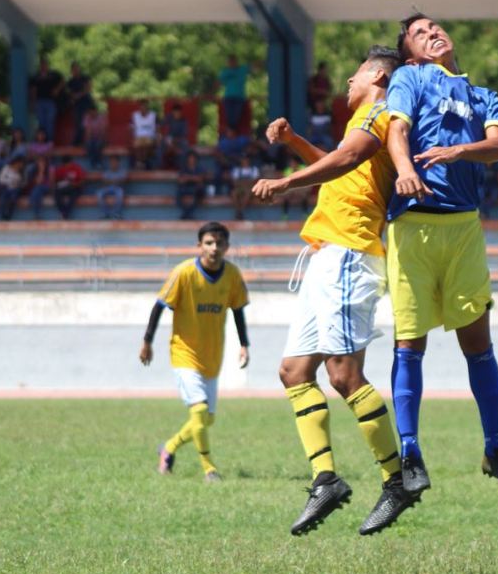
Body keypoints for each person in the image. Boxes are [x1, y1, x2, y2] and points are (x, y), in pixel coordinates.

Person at [252, 45, 415, 536]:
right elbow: (341, 166)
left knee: (344, 375)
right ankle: (325, 479)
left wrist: (285, 183)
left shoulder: (383, 113)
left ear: (378, 75)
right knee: (294, 371)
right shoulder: (362, 122)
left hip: (349, 253)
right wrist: (296, 142)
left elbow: (344, 160)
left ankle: (397, 480)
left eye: (356, 72)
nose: (347, 80)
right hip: (328, 254)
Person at [383, 13, 498, 495]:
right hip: (413, 224)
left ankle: (496, 448)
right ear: (410, 55)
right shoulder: (410, 78)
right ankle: (410, 452)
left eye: (435, 27)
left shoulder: (483, 95)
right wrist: (405, 170)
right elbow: (396, 131)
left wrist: (459, 152)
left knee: (478, 346)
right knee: (409, 345)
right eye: (420, 34)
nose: (433, 33)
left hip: (464, 226)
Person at [141, 221, 250, 483]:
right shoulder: (183, 272)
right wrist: (147, 342)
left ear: (227, 247)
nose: (214, 248)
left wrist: (244, 344)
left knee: (206, 419)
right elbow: (159, 306)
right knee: (200, 411)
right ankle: (209, 468)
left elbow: (237, 310)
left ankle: (168, 448)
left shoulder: (232, 275)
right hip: (184, 353)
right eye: (209, 243)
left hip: (212, 355)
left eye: (219, 243)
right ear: (199, 245)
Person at [29, 57, 63, 143]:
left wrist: (57, 90)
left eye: (45, 65)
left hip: (50, 102)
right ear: (40, 66)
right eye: (42, 65)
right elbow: (33, 90)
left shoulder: (53, 75)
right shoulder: (36, 77)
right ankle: (41, 142)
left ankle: (50, 141)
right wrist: (33, 102)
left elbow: (62, 81)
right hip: (39, 102)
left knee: (50, 122)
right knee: (41, 123)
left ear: (47, 66)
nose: (43, 66)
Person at [219, 55, 249, 131]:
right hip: (228, 97)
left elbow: (254, 67)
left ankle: (234, 131)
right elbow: (218, 82)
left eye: (233, 61)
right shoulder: (225, 72)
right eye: (230, 62)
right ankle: (230, 130)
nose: (231, 63)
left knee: (237, 115)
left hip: (239, 97)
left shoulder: (242, 69)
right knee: (228, 115)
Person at [66, 62, 93, 146]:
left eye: (77, 68)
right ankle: (78, 142)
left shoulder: (85, 78)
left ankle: (86, 142)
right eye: (74, 69)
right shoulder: (70, 82)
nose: (76, 70)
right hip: (77, 105)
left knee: (87, 123)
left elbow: (89, 88)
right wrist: (73, 97)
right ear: (71, 71)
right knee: (78, 123)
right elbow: (69, 92)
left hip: (87, 103)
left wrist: (79, 95)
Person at [176, 151, 206, 220]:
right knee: (180, 192)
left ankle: (186, 215)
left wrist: (188, 177)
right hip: (186, 189)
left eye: (193, 158)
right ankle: (188, 215)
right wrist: (193, 178)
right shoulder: (184, 168)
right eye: (190, 158)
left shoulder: (200, 168)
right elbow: (180, 180)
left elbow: (200, 179)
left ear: (196, 159)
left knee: (197, 192)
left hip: (196, 189)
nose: (191, 160)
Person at [228, 153, 259, 221]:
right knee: (234, 193)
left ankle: (240, 212)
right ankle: (238, 211)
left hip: (250, 188)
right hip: (239, 188)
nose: (245, 161)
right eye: (243, 159)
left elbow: (255, 181)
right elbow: (234, 182)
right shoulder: (237, 170)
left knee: (247, 194)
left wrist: (242, 182)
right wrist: (246, 182)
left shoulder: (254, 169)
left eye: (246, 159)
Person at [96, 154, 128, 219]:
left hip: (118, 188)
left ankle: (116, 214)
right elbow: (104, 182)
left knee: (120, 194)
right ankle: (105, 214)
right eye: (111, 162)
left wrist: (111, 181)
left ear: (118, 162)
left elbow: (123, 181)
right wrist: (115, 181)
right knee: (99, 193)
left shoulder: (122, 171)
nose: (113, 163)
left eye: (114, 162)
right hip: (107, 188)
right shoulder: (107, 172)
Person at [53, 156, 85, 220]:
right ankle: (63, 211)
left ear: (71, 162)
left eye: (68, 164)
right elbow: (56, 181)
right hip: (65, 187)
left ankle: (66, 213)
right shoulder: (61, 169)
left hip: (76, 187)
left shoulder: (77, 168)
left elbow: (82, 180)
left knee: (73, 195)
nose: (67, 166)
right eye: (65, 165)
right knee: (56, 192)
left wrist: (75, 184)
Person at [130, 99, 158, 169]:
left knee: (146, 145)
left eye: (145, 106)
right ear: (139, 107)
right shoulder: (135, 115)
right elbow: (131, 128)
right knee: (137, 145)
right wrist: (132, 136)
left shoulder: (153, 115)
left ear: (147, 107)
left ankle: (141, 163)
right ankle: (141, 163)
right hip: (138, 137)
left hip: (150, 137)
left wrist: (157, 137)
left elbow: (158, 128)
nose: (143, 108)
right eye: (142, 107)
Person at [82, 102, 108, 170]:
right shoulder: (87, 117)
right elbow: (87, 132)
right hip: (91, 138)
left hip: (101, 138)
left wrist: (98, 139)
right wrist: (89, 139)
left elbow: (103, 132)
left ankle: (97, 163)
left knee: (97, 144)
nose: (92, 114)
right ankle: (96, 163)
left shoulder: (102, 117)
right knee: (89, 144)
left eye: (93, 112)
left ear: (96, 111)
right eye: (90, 113)